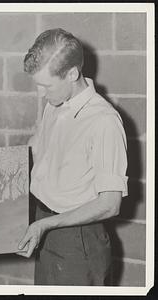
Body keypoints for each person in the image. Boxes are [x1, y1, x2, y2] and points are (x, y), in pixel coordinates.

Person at [17, 28, 128, 286]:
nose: (41, 94)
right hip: (45, 224)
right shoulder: (54, 104)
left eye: (46, 85)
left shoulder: (104, 121)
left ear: (71, 74)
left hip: (78, 239)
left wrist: (45, 225)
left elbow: (110, 204)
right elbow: (36, 152)